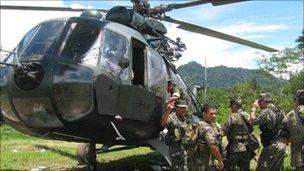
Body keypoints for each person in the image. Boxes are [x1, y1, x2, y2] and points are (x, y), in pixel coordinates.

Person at [250, 93, 286, 171]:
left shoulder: (266, 111)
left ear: (264, 101)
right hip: (282, 145)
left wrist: (253, 108)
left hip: (271, 146)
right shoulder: (281, 111)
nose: (258, 104)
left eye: (259, 102)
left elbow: (253, 121)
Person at [222, 97, 257, 171]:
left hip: (236, 147)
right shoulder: (247, 115)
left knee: (229, 166)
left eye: (231, 107)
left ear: (234, 106)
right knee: (245, 167)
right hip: (247, 146)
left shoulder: (233, 117)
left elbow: (224, 131)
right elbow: (251, 128)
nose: (231, 109)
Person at [160, 99, 189, 170]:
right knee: (177, 167)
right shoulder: (171, 117)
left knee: (185, 166)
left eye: (184, 108)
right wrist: (168, 111)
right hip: (175, 148)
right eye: (181, 108)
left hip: (184, 146)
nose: (183, 110)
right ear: (176, 108)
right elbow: (162, 123)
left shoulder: (184, 118)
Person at [194, 104, 224, 171]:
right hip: (205, 161)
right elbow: (213, 146)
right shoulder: (207, 128)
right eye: (211, 114)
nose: (214, 116)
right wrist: (220, 160)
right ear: (204, 114)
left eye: (215, 114)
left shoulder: (197, 124)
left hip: (196, 159)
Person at [280, 90, 304, 171]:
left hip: (298, 147)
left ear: (297, 100)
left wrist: (286, 139)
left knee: (299, 167)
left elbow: (284, 128)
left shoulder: (291, 114)